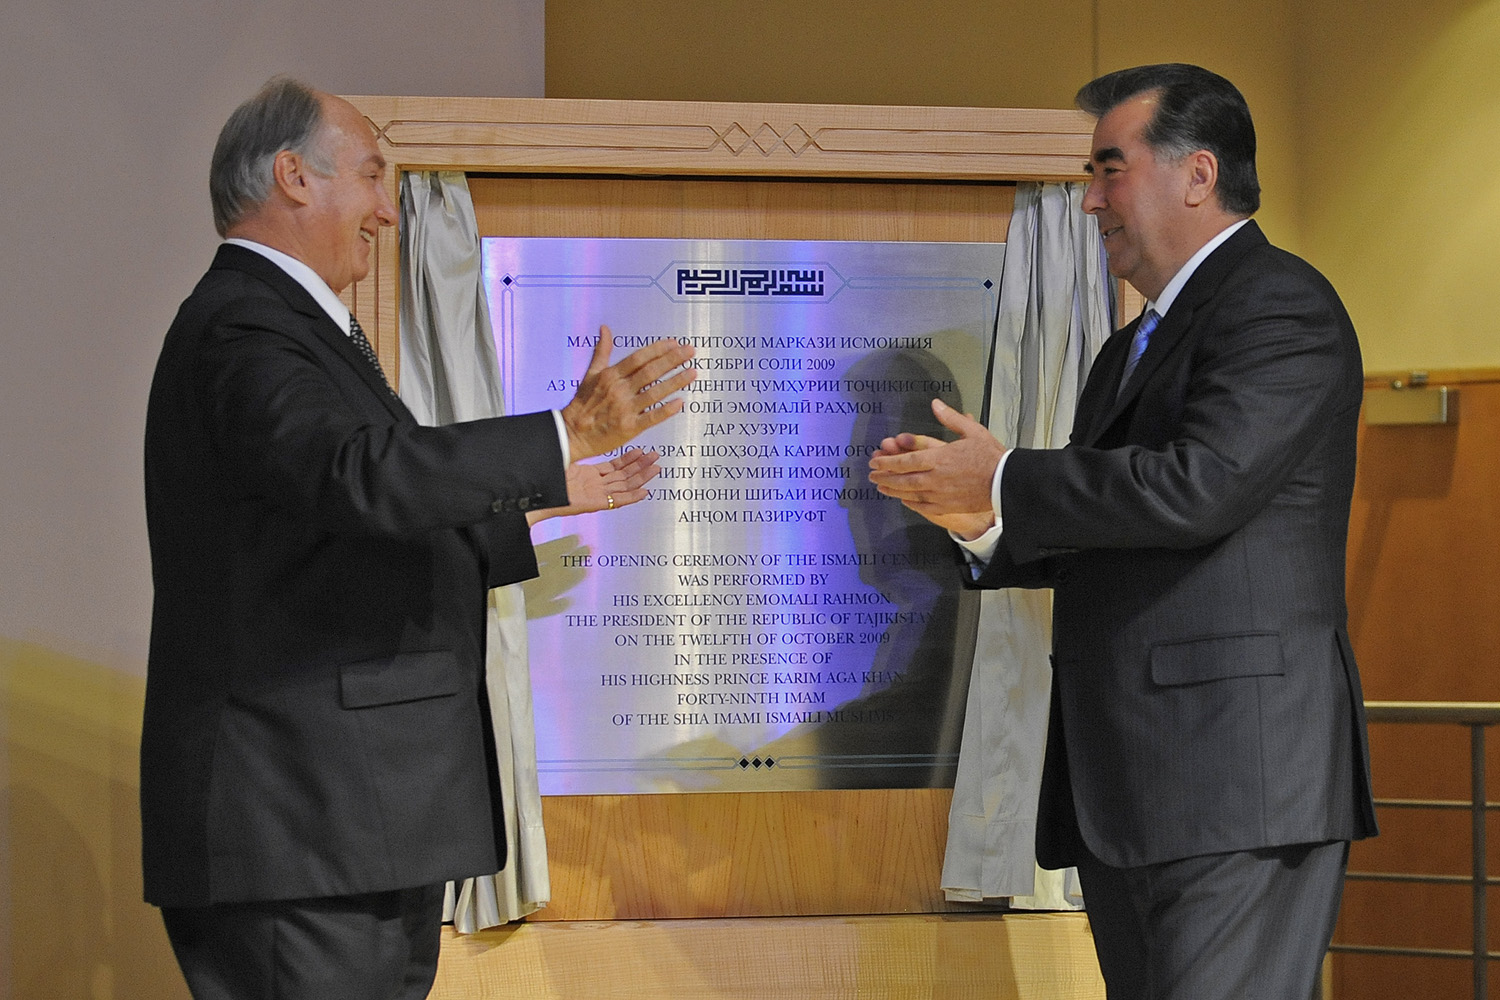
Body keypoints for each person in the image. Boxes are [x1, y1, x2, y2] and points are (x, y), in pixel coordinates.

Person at [141, 77, 695, 1000]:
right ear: (293, 177)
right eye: (371, 176)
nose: (387, 215)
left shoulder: (294, 329)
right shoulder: (241, 327)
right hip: (301, 831)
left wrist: (539, 500)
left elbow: (349, 528)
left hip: (352, 827)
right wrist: (561, 434)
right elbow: (361, 474)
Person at [868, 64, 1377, 999]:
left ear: (1198, 174)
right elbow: (1116, 528)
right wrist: (980, 520)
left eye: (1109, 170)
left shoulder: (1279, 305)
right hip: (1137, 789)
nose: (1089, 199)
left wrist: (1011, 476)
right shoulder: (1129, 346)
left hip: (1236, 784)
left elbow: (1198, 488)